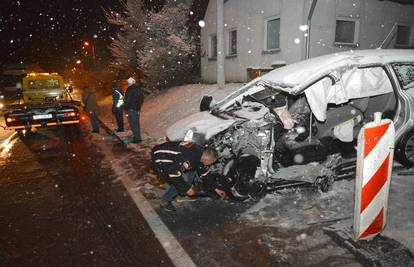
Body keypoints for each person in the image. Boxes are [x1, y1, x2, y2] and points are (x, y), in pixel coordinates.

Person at [151, 141, 226, 212]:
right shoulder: (188, 159)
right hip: (160, 158)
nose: (211, 165)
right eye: (211, 162)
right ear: (207, 159)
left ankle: (183, 192)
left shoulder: (200, 153)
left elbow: (204, 173)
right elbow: (174, 174)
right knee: (180, 181)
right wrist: (186, 188)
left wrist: (216, 188)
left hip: (167, 152)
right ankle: (165, 201)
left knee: (192, 170)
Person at [124, 77, 143, 143]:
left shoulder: (130, 89)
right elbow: (141, 99)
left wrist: (126, 107)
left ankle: (137, 138)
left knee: (133, 124)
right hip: (136, 109)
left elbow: (127, 100)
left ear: (129, 83)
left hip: (131, 109)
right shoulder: (138, 88)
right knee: (136, 123)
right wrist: (138, 107)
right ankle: (137, 136)